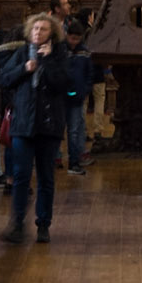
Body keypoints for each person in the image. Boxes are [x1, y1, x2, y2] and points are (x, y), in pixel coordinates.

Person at [0, 13, 70, 244]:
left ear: (53, 33)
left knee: (46, 176)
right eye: (35, 28)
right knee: (20, 175)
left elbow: (66, 85)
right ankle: (17, 224)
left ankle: (43, 224)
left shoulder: (60, 55)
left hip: (49, 125)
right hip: (23, 124)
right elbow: (4, 79)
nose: (38, 32)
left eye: (44, 29)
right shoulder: (21, 53)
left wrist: (47, 63)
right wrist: (25, 69)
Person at [63, 20, 92, 175]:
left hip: (77, 97)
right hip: (61, 97)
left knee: (74, 130)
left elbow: (89, 73)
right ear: (67, 36)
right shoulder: (61, 50)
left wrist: (85, 89)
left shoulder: (85, 52)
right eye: (72, 38)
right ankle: (54, 159)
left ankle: (74, 162)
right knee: (58, 130)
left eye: (77, 39)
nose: (74, 42)